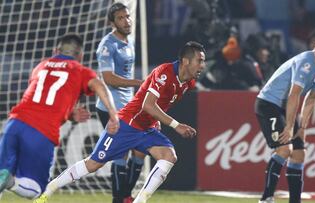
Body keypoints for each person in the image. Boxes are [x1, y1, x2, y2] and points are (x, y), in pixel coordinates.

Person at [33, 41, 206, 203]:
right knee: (93, 164)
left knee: (169, 156)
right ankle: (49, 189)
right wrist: (176, 125)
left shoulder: (188, 82)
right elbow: (147, 105)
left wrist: (156, 120)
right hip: (126, 125)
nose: (202, 65)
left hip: (146, 129)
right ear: (185, 61)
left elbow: (163, 102)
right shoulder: (165, 72)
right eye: (199, 61)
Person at [0, 33, 119, 200]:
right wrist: (113, 115)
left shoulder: (41, 66)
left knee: (1, 175)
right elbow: (100, 86)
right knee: (36, 190)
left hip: (14, 124)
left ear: (56, 50)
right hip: (41, 132)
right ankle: (11, 182)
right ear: (80, 55)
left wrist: (69, 114)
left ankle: (6, 178)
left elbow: (42, 98)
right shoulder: (80, 70)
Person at [254, 30, 315, 203]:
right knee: (285, 149)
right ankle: (266, 198)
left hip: (285, 106)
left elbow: (311, 98)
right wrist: (290, 127)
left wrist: (303, 128)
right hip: (268, 103)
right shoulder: (306, 62)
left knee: (299, 154)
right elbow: (294, 95)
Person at [95, 3, 145, 203]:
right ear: (112, 23)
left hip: (128, 106)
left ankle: (125, 196)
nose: (127, 21)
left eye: (127, 16)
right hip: (110, 108)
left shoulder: (130, 40)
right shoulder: (107, 45)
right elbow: (108, 78)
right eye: (121, 18)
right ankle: (120, 198)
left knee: (140, 151)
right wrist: (138, 82)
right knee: (120, 154)